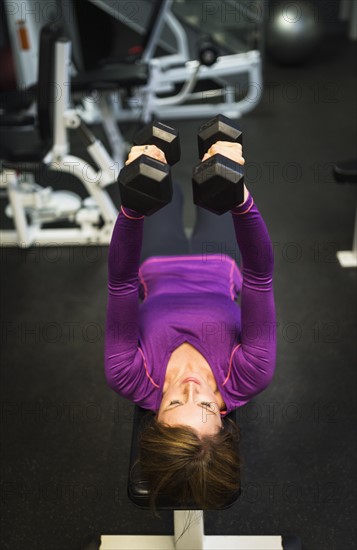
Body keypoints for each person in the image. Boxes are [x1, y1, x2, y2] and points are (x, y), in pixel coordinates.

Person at [104, 139, 276, 512]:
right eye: (205, 404)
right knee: (213, 179)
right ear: (223, 416)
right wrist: (240, 196)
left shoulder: (128, 376)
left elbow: (121, 283)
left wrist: (132, 207)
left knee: (166, 187)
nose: (191, 387)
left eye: (175, 401)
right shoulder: (249, 374)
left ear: (155, 417)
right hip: (220, 261)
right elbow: (260, 276)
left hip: (155, 262)